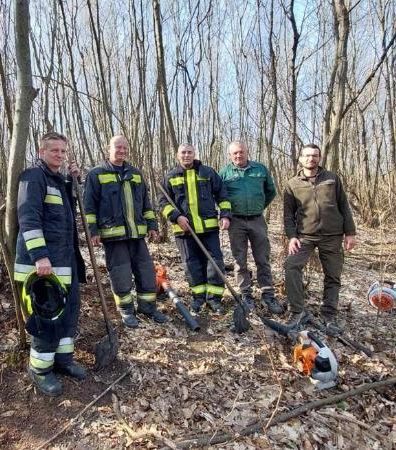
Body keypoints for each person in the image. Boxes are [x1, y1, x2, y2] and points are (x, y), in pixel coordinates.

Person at [13, 132, 87, 396]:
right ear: (41, 151)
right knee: (48, 317)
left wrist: (75, 182)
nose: (60, 155)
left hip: (65, 264)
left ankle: (63, 361)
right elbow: (29, 219)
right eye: (54, 150)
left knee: (68, 313)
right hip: (41, 268)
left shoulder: (59, 181)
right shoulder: (33, 177)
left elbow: (68, 215)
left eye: (63, 151)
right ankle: (40, 369)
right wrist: (40, 256)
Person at [83, 135, 166, 328]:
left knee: (145, 272)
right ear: (108, 149)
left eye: (124, 148)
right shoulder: (96, 174)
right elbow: (89, 206)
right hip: (113, 236)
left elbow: (146, 203)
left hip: (137, 235)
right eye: (117, 147)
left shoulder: (135, 173)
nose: (121, 151)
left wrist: (152, 226)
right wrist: (92, 231)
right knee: (120, 274)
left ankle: (148, 307)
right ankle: (127, 311)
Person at [282, 143, 356, 335]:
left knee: (333, 276)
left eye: (315, 155)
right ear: (300, 158)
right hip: (304, 236)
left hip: (332, 236)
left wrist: (350, 233)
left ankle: (329, 316)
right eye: (307, 155)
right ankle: (297, 311)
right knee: (291, 266)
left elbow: (344, 206)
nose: (311, 159)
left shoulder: (332, 179)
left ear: (320, 158)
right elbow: (288, 215)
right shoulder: (292, 184)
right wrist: (292, 237)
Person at [159, 144, 232, 316]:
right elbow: (162, 202)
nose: (186, 155)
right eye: (183, 153)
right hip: (184, 231)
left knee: (215, 263)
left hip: (209, 229)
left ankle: (214, 299)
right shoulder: (170, 176)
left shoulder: (208, 173)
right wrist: (176, 216)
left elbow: (222, 195)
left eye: (189, 152)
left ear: (194, 154)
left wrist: (225, 215)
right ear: (177, 155)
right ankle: (198, 297)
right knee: (191, 264)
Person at [219, 141, 283, 315]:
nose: (238, 156)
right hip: (236, 222)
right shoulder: (224, 173)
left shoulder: (260, 169)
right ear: (230, 155)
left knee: (262, 258)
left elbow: (270, 192)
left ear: (247, 152)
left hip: (257, 220)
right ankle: (246, 294)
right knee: (240, 261)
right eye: (235, 154)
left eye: (241, 152)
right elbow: (219, 195)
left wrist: (259, 205)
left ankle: (268, 294)